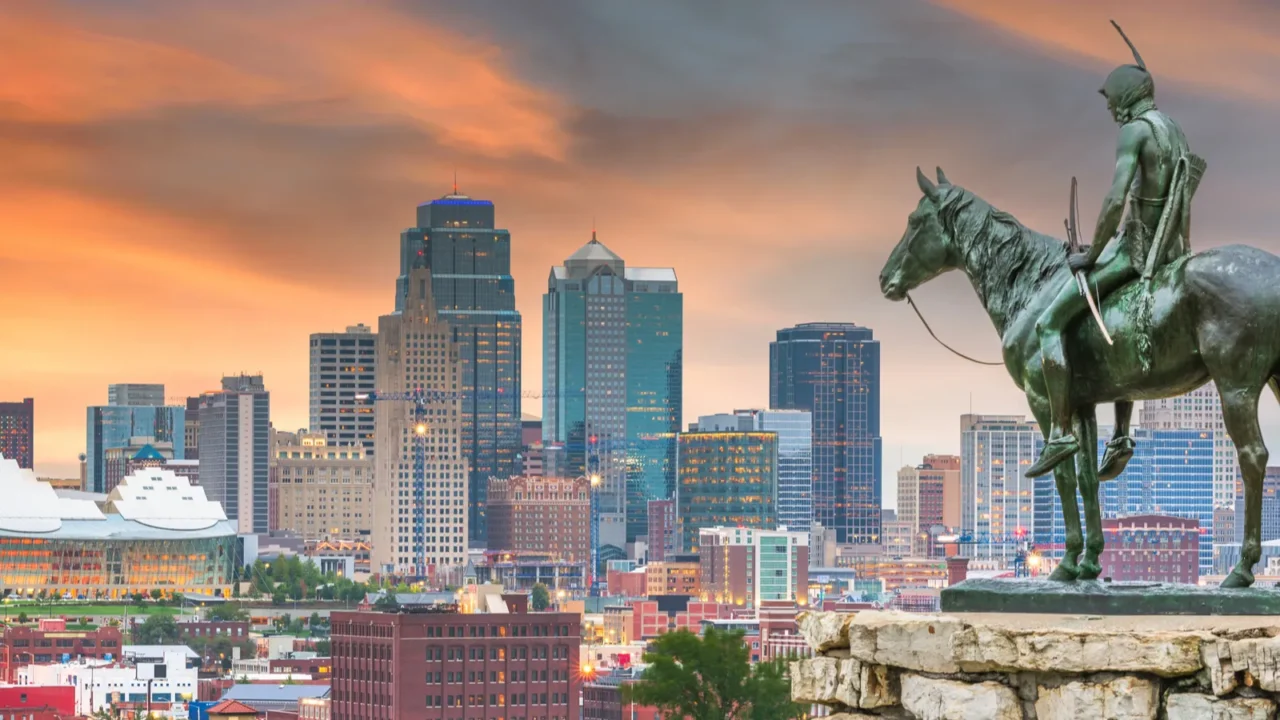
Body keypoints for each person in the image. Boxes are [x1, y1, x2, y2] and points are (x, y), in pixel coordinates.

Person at [1026, 22, 1203, 479]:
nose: (1108, 109)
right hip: (1175, 251)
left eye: (1109, 100)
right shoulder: (1173, 129)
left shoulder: (1135, 133)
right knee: (1112, 320)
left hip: (1138, 252)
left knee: (1049, 323)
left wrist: (1091, 254)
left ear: (1125, 94)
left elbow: (1113, 200)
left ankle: (1062, 431)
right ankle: (1121, 435)